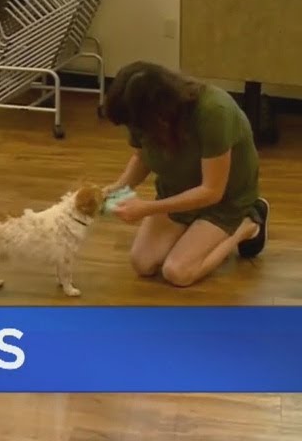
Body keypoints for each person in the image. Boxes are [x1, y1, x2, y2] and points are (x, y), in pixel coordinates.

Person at [102, 61, 270, 287]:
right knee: (142, 263)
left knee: (178, 272)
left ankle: (248, 223)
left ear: (158, 112)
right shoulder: (139, 113)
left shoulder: (214, 112)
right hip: (179, 189)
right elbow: (142, 157)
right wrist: (118, 189)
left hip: (225, 199)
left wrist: (145, 209)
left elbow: (212, 192)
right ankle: (195, 233)